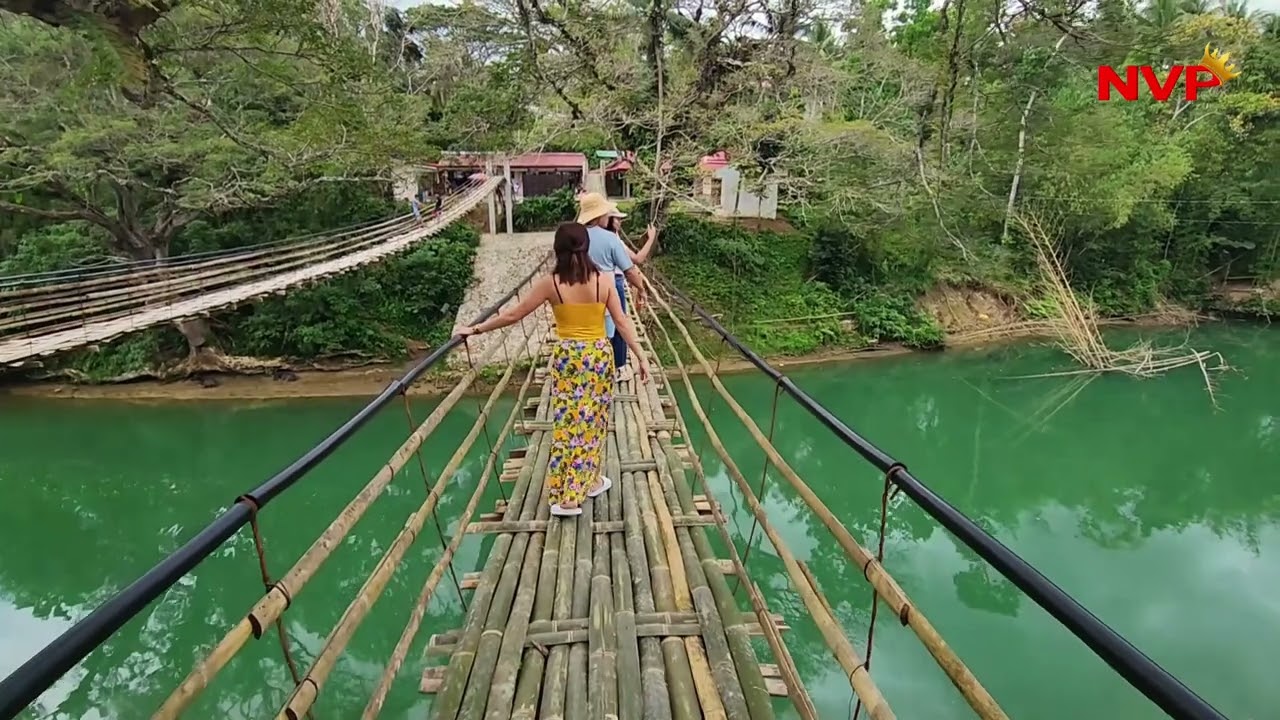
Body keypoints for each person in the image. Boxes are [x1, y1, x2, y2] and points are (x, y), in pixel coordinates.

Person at [457, 222, 649, 517]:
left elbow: (513, 314)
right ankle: (577, 490)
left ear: (557, 250)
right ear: (586, 248)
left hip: (567, 359)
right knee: (592, 421)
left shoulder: (552, 283)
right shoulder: (603, 281)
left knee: (568, 421)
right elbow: (622, 322)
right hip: (598, 357)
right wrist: (641, 357)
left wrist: (478, 328)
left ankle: (572, 489)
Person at [576, 192, 657, 382]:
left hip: (578, 299)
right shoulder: (610, 239)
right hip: (606, 296)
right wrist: (642, 290)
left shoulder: (574, 238)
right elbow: (630, 270)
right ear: (598, 216)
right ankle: (609, 373)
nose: (607, 216)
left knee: (588, 338)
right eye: (605, 213)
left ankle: (590, 375)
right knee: (612, 331)